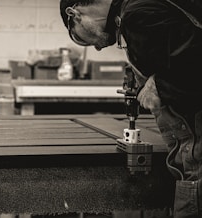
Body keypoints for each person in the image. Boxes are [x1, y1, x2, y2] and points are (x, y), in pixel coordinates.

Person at [59, 0, 202, 217]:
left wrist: (160, 87)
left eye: (80, 38)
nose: (97, 47)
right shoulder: (139, 9)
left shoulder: (138, 14)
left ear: (74, 14)